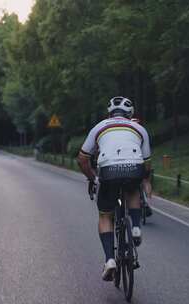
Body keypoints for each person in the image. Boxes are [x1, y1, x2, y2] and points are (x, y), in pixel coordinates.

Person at [77, 96, 152, 281]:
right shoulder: (139, 128)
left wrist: (92, 178)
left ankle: (110, 259)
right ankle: (135, 227)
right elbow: (147, 162)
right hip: (134, 168)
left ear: (109, 113)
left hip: (108, 170)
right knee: (133, 190)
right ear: (130, 113)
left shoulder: (99, 127)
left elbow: (82, 158)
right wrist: (146, 180)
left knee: (105, 215)